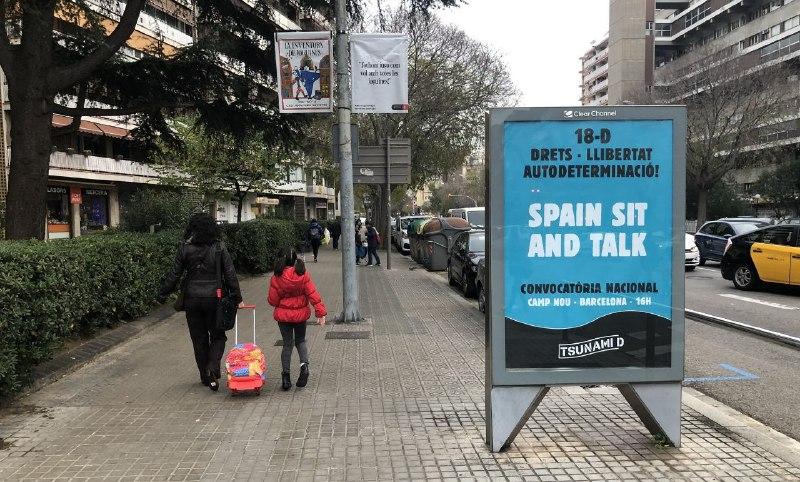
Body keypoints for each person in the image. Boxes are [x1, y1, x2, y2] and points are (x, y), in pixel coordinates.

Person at [158, 213, 242, 392]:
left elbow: (175, 274)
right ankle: (212, 366)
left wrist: (162, 293)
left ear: (192, 228)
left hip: (192, 300)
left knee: (199, 339)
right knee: (218, 335)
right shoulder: (219, 247)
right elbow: (230, 275)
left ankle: (205, 377)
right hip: (215, 299)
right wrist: (237, 298)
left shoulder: (185, 249)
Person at [268, 248, 327, 390]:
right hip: (300, 316)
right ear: (295, 260)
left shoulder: (277, 276)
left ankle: (286, 377)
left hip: (284, 317)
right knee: (300, 341)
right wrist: (320, 313)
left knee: (287, 344)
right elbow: (313, 293)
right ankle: (304, 366)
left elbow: (273, 301)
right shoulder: (303, 274)